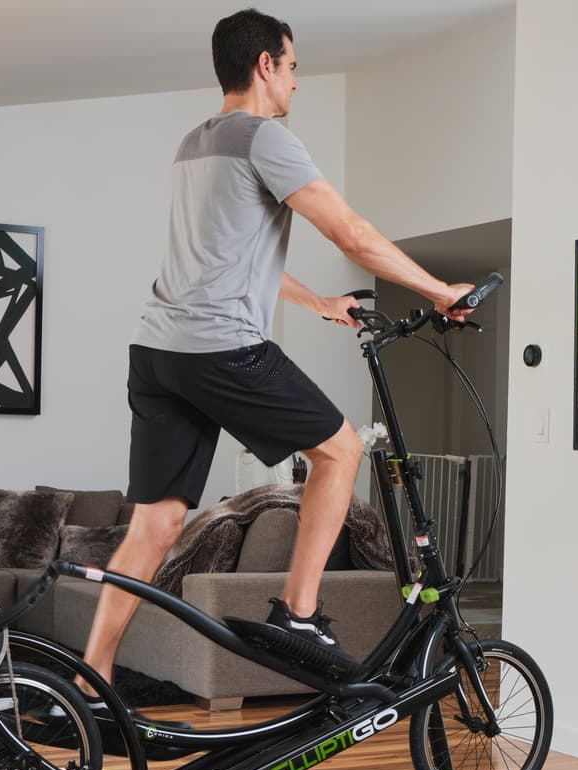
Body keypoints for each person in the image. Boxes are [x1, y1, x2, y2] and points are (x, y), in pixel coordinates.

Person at [76, 8, 480, 710]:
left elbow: (227, 260)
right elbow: (351, 231)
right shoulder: (267, 138)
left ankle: (88, 680)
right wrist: (441, 290)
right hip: (220, 348)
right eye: (292, 66)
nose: (297, 80)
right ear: (266, 65)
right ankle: (297, 613)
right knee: (342, 450)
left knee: (156, 523)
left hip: (159, 353)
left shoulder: (194, 144)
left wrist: (319, 301)